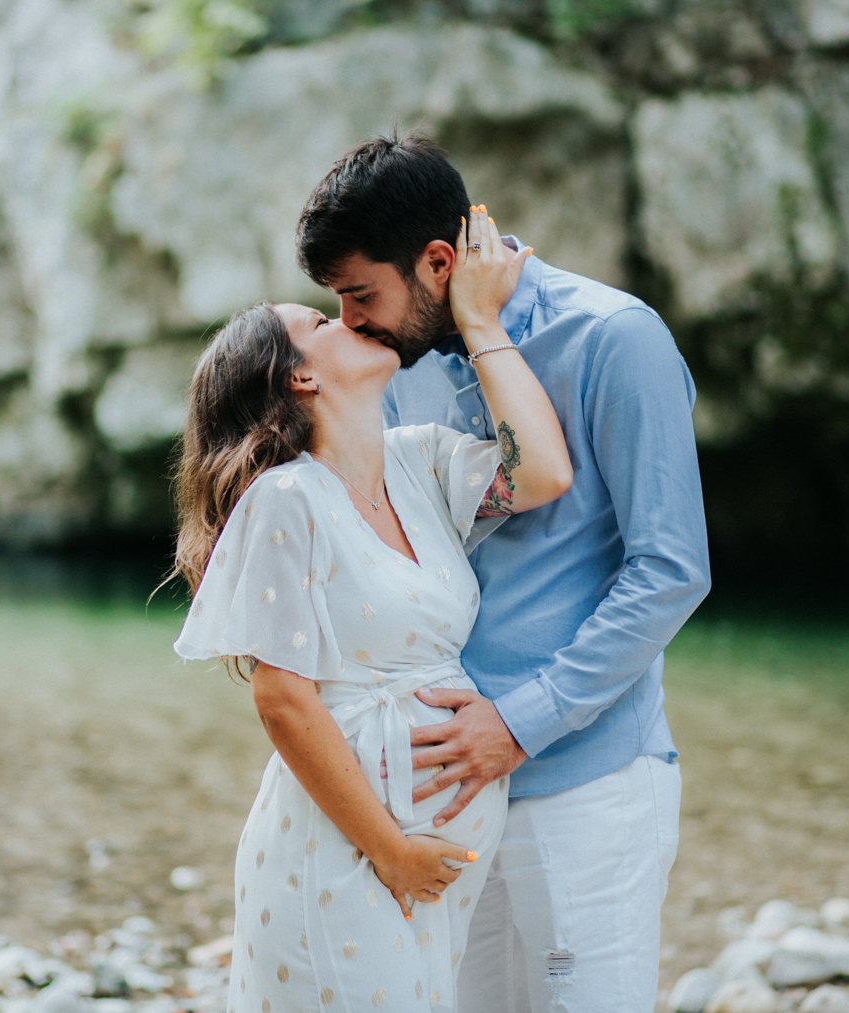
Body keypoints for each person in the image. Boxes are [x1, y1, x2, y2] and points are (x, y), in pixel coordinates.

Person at [295, 134, 712, 1011]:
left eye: (361, 294)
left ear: (438, 261)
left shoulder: (613, 339)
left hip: (587, 786)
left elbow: (671, 571)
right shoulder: (390, 369)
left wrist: (518, 724)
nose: (349, 324)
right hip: (444, 795)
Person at [171, 207, 574, 1013]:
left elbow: (543, 474)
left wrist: (478, 320)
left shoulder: (418, 459)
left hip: (430, 864)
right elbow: (283, 697)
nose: (352, 316)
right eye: (321, 320)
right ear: (301, 377)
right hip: (345, 856)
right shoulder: (286, 500)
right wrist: (388, 848)